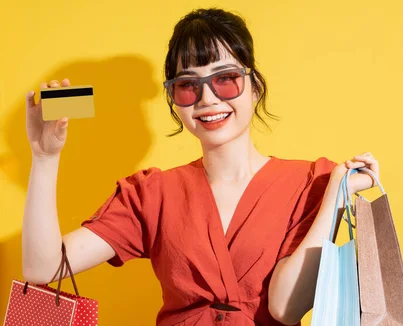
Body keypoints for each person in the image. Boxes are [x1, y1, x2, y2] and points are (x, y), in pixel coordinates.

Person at [21, 7, 380, 326]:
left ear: (254, 87)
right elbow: (42, 268)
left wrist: (336, 192)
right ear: (175, 101)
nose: (208, 98)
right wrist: (44, 157)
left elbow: (286, 307)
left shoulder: (311, 183)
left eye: (225, 79)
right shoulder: (152, 194)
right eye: (188, 85)